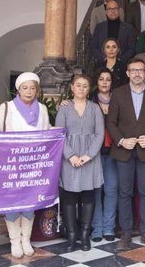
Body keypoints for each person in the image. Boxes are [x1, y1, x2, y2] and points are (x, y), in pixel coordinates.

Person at [107, 58, 145, 251]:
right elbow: (111, 123)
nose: (137, 74)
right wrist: (122, 141)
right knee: (124, 192)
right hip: (124, 151)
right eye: (133, 70)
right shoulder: (118, 94)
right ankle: (125, 234)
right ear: (127, 73)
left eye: (140, 70)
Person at [0, 72, 51, 259]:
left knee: (29, 202)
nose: (29, 91)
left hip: (33, 165)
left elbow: (47, 133)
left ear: (37, 90)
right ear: (18, 89)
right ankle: (14, 241)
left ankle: (26, 240)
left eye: (33, 88)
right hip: (11, 164)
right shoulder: (6, 107)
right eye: (25, 88)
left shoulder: (42, 109)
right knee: (12, 202)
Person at [55, 74, 104, 252]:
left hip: (90, 158)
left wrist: (88, 156)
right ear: (72, 88)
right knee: (70, 198)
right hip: (70, 158)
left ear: (88, 88)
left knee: (88, 197)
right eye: (78, 85)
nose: (82, 89)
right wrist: (71, 156)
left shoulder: (95, 108)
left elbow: (100, 134)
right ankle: (72, 236)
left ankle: (84, 235)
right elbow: (60, 133)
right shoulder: (64, 108)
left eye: (85, 86)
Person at [90, 69, 118, 243]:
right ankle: (97, 228)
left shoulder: (119, 99)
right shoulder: (89, 100)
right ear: (97, 81)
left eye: (108, 79)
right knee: (95, 191)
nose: (105, 82)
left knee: (111, 190)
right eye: (101, 79)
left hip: (114, 152)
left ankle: (109, 227)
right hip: (94, 152)